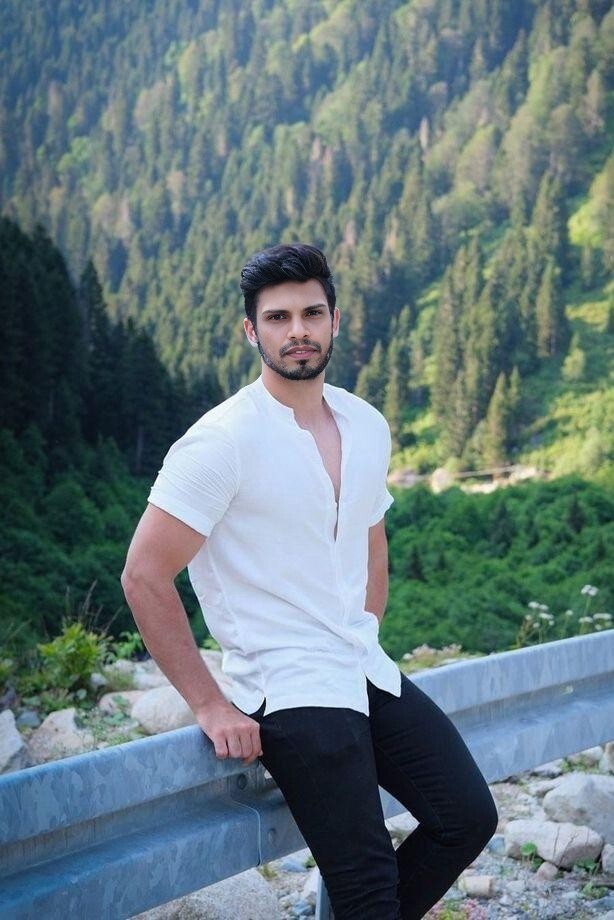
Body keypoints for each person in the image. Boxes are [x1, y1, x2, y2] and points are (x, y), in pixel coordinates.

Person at [121, 243, 498, 919]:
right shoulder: (221, 442)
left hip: (361, 665)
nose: (297, 330)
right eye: (278, 317)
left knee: (467, 817)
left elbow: (371, 539)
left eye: (311, 313)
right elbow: (144, 575)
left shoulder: (365, 423)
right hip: (287, 685)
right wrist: (211, 706)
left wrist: (366, 626)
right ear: (252, 330)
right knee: (366, 887)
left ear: (334, 320)